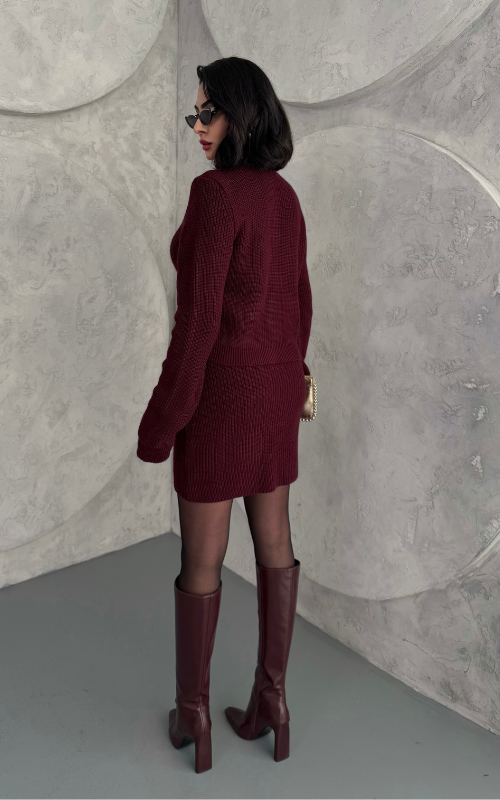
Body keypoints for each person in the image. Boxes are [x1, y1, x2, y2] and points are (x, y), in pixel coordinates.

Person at [136, 56, 313, 773]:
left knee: (201, 560)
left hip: (222, 403)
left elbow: (198, 327)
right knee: (275, 542)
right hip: (273, 396)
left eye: (208, 112)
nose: (199, 126)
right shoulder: (284, 197)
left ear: (243, 114)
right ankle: (274, 701)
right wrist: (294, 377)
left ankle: (195, 716)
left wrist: (161, 424)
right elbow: (299, 304)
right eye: (195, 114)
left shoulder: (214, 195)